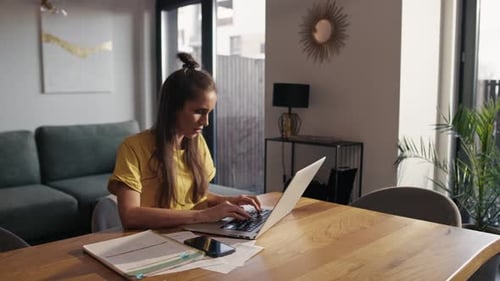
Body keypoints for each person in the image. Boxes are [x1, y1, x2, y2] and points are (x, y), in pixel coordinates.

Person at [108, 53, 261, 229]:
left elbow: (192, 197)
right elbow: (130, 215)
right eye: (199, 112)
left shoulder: (197, 143)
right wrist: (202, 216)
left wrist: (226, 201)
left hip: (196, 234)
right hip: (155, 241)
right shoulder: (133, 148)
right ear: (173, 108)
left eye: (209, 113)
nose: (206, 122)